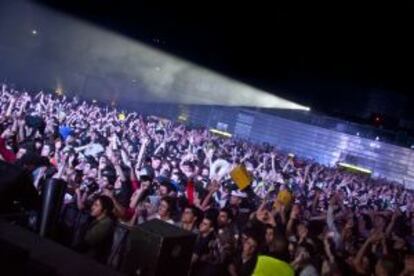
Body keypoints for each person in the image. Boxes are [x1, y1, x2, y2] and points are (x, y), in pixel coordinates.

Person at [76, 195, 115, 264]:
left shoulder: (106, 224)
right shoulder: (96, 220)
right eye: (93, 204)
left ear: (105, 210)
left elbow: (88, 241)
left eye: (96, 205)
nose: (92, 207)